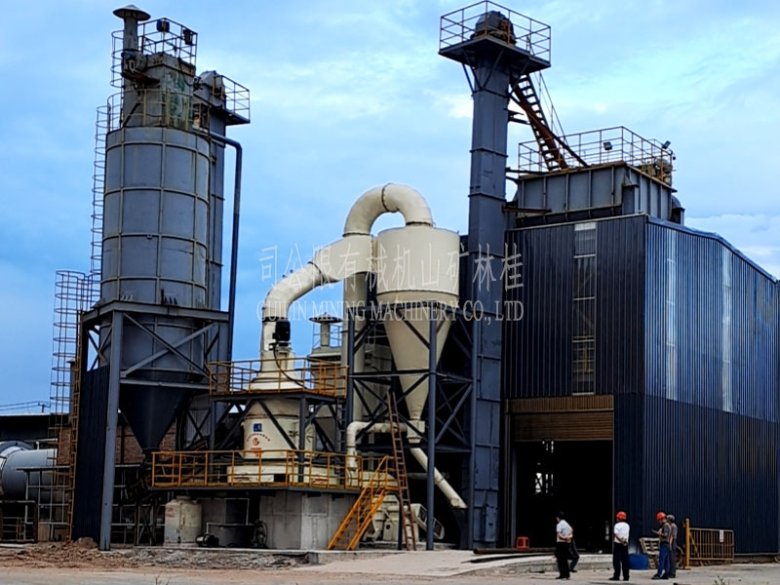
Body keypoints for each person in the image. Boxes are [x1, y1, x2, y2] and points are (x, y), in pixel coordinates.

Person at [610, 511, 630, 581]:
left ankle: (616, 576)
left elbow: (616, 534)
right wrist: (623, 541)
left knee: (616, 560)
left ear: (618, 518)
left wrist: (620, 540)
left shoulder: (617, 525)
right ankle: (626, 576)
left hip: (618, 544)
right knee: (625, 560)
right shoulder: (627, 525)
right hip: (625, 544)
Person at [652, 512, 671, 580]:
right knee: (666, 560)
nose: (659, 522)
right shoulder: (667, 525)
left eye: (659, 520)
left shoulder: (665, 525)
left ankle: (659, 574)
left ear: (662, 519)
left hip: (664, 544)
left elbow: (665, 535)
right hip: (667, 544)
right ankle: (666, 574)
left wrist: (658, 533)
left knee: (661, 560)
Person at [555, 512, 572, 580]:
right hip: (566, 543)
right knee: (565, 559)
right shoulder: (567, 524)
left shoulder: (559, 524)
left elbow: (559, 535)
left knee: (560, 559)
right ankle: (567, 575)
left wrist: (564, 538)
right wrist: (568, 538)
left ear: (558, 518)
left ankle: (562, 574)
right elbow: (571, 531)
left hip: (561, 543)